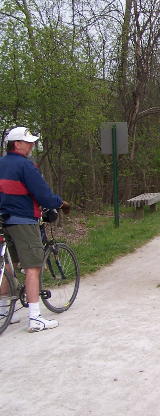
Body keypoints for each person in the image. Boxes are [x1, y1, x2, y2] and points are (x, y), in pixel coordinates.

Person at [0, 126, 70, 332]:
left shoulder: (1, 164)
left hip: (4, 221)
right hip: (23, 219)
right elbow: (43, 195)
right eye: (28, 142)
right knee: (33, 267)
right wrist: (60, 203)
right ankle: (35, 318)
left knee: (7, 266)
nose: (32, 145)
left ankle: (4, 312)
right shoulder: (26, 166)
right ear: (17, 144)